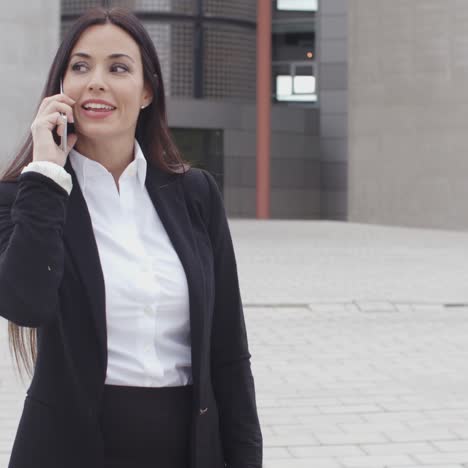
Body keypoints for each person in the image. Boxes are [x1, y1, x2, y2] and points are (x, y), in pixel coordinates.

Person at [0, 7, 262, 468]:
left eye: (118, 67)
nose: (96, 81)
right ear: (61, 89)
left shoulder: (195, 195)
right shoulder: (26, 195)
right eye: (80, 67)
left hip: (188, 449)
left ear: (145, 92)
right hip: (69, 450)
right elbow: (25, 304)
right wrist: (45, 172)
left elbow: (228, 352)